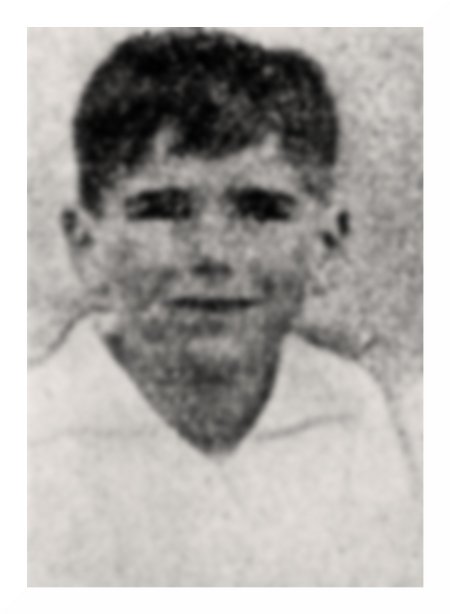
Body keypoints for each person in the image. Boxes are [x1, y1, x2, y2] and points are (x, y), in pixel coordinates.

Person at [28, 29, 421, 586]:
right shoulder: (33, 435)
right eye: (162, 209)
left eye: (262, 209)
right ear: (87, 245)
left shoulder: (354, 411)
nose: (213, 253)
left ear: (326, 245)